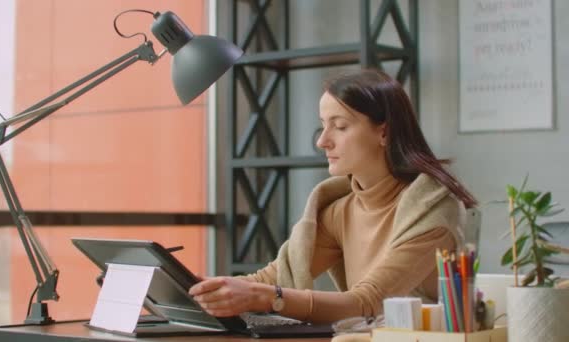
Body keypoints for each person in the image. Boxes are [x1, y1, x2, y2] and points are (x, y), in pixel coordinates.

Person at [188, 69, 477, 324]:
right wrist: (199, 291)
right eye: (323, 125)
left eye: (340, 126)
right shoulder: (341, 210)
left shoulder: (433, 211)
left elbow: (369, 303)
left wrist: (267, 297)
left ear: (384, 133)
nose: (322, 140)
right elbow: (274, 277)